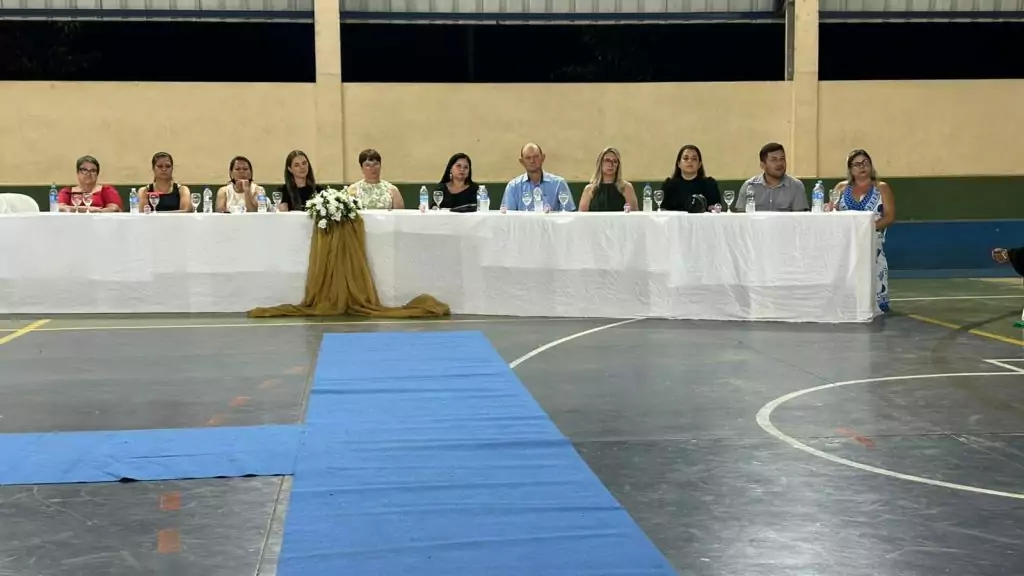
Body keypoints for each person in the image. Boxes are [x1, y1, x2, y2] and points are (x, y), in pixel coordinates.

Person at [831, 149, 896, 313]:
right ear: (850, 169)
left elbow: (889, 216)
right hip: (846, 245)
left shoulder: (882, 188)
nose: (862, 167)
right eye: (857, 164)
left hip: (872, 243)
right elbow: (832, 213)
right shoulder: (840, 188)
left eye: (865, 162)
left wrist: (867, 229)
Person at [500, 143, 575, 212]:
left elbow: (568, 215)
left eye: (535, 157)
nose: (532, 160)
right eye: (528, 158)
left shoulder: (559, 184)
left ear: (543, 158)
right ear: (522, 161)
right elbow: (508, 217)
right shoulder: (513, 187)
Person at [736, 142, 808, 212]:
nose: (779, 163)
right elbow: (740, 217)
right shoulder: (749, 186)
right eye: (774, 160)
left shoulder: (796, 186)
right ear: (762, 165)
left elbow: (800, 218)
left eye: (782, 159)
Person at [660, 144, 721, 212]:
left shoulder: (710, 185)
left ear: (699, 164)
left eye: (694, 159)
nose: (689, 161)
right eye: (685, 158)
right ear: (679, 163)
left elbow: (715, 209)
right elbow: (662, 210)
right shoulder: (669, 186)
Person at [579, 147, 638, 212]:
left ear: (618, 165)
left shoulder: (626, 188)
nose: (611, 164)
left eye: (615, 161)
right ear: (600, 163)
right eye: (607, 160)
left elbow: (634, 214)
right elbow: (582, 215)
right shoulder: (590, 190)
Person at [58, 155, 123, 213]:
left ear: (97, 174)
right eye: (84, 170)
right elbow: (60, 208)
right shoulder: (67, 192)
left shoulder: (106, 190)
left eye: (93, 171)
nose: (88, 173)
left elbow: (114, 209)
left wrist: (75, 209)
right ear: (78, 173)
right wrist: (92, 209)